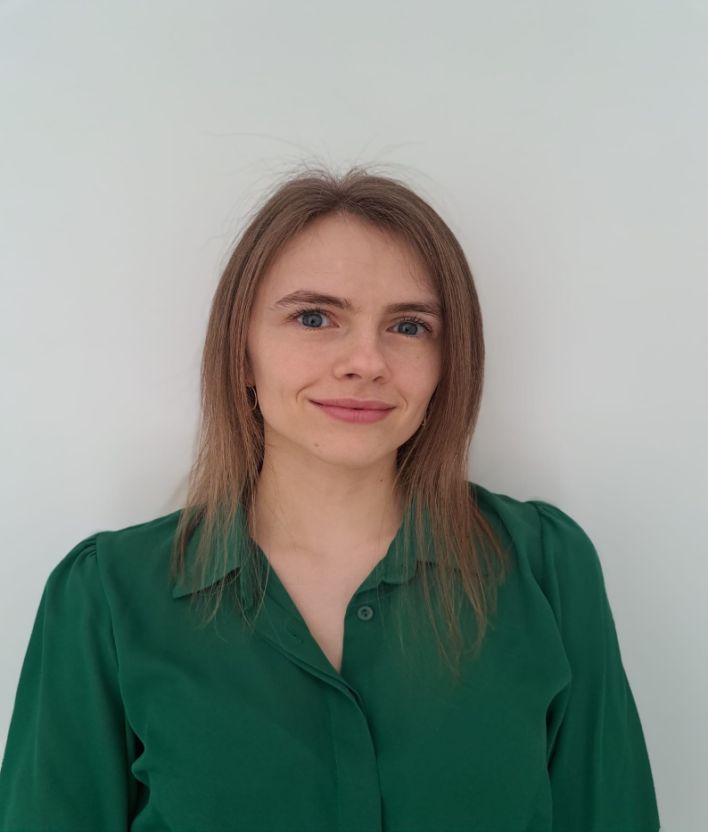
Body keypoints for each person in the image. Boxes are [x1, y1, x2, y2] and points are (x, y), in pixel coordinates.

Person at [0, 165, 661, 831]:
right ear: (241, 353)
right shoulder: (107, 598)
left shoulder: (546, 568)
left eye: (409, 327)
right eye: (314, 318)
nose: (366, 361)